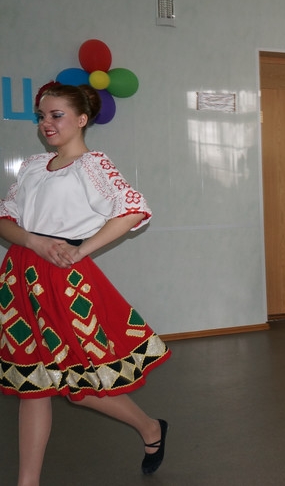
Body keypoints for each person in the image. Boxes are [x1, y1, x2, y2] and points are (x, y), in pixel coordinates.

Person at [0, 83, 171, 485]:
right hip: (21, 275)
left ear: (81, 119)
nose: (46, 123)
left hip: (63, 279)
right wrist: (35, 242)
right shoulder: (32, 166)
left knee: (80, 383)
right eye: (42, 116)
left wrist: (81, 250)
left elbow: (134, 209)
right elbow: (5, 218)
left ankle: (150, 427)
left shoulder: (92, 165)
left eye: (56, 115)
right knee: (33, 384)